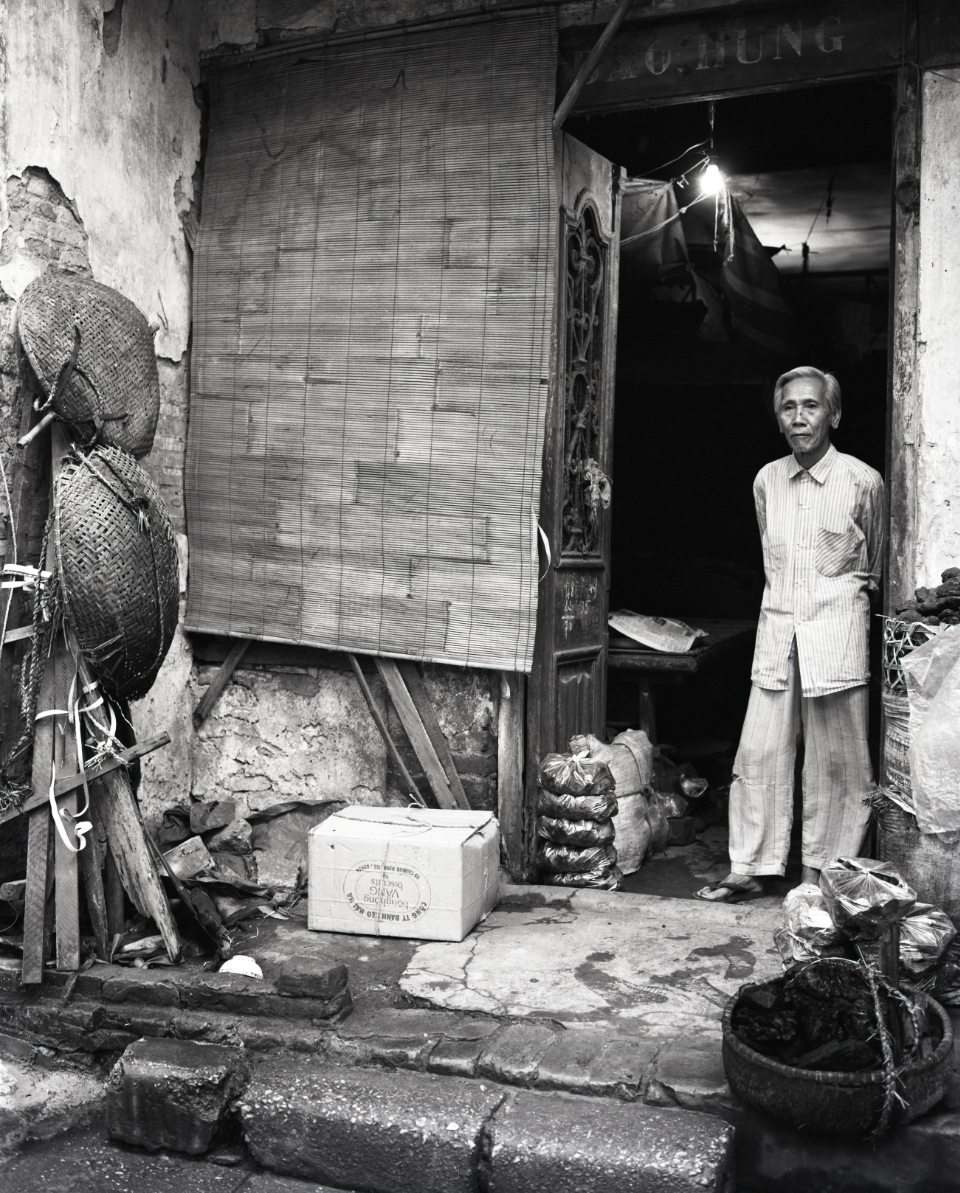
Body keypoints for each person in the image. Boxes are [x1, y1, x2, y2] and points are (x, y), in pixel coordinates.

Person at [696, 367, 884, 903]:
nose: (800, 417)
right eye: (788, 408)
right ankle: (751, 866)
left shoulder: (862, 480)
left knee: (837, 760)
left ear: (835, 414)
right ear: (778, 419)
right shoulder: (766, 480)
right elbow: (769, 555)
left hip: (836, 635)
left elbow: (874, 562)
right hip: (779, 630)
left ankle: (823, 872)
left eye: (811, 405)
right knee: (759, 752)